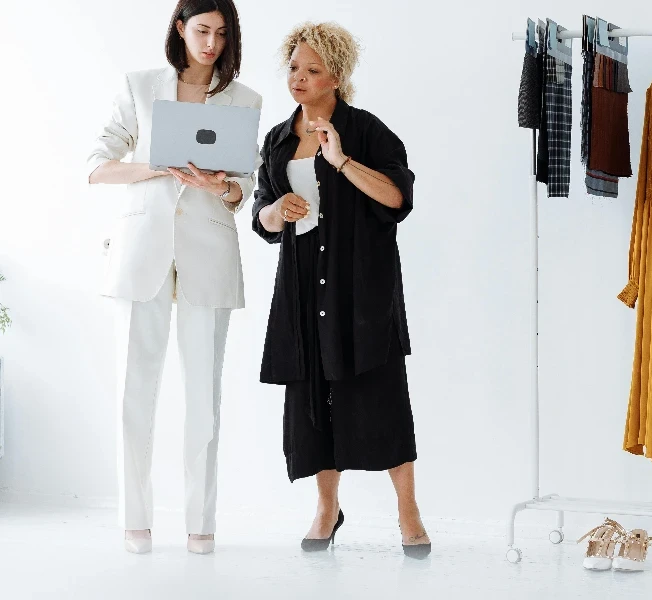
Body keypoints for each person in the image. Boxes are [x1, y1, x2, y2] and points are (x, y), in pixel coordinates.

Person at [86, 0, 262, 555]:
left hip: (208, 253)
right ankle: (134, 519)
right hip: (143, 254)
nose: (210, 43)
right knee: (133, 393)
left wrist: (221, 187)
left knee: (203, 398)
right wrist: (156, 166)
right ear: (181, 30)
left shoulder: (244, 99)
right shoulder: (140, 86)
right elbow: (96, 165)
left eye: (221, 32)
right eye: (201, 30)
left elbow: (244, 187)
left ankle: (200, 523)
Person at [251, 21, 430, 558]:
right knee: (312, 405)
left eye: (312, 70)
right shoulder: (278, 138)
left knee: (383, 400)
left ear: (337, 77)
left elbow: (398, 197)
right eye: (294, 68)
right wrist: (276, 211)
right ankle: (327, 510)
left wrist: (341, 161)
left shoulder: (367, 131)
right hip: (303, 289)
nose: (298, 79)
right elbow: (261, 216)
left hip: (360, 292)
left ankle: (409, 512)